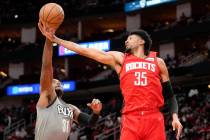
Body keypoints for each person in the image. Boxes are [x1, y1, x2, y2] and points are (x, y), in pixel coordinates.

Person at [39, 22, 182, 140]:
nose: (126, 40)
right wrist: (56, 39)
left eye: (130, 38)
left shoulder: (159, 62)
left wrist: (175, 117)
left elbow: (170, 95)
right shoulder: (120, 59)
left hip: (154, 117)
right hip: (131, 118)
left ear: (141, 41)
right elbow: (86, 51)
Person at [35, 27, 102, 140]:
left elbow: (90, 123)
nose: (58, 82)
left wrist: (96, 113)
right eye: (54, 82)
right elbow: (46, 67)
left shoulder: (70, 108)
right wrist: (48, 39)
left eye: (59, 82)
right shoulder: (46, 97)